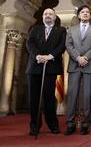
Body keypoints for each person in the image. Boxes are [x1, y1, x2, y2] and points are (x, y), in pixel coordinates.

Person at [26, 8, 66, 136]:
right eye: (45, 14)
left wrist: (50, 56)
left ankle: (53, 124)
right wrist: (37, 55)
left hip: (51, 67)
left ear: (55, 17)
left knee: (49, 98)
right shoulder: (35, 28)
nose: (47, 16)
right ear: (42, 17)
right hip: (35, 66)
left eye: (50, 14)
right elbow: (29, 43)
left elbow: (62, 46)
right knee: (33, 98)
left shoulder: (61, 30)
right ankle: (34, 125)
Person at [65, 5, 91, 135]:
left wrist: (85, 57)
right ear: (79, 15)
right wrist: (77, 57)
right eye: (83, 12)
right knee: (72, 95)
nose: (85, 14)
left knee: (87, 96)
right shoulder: (71, 29)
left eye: (87, 12)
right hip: (74, 65)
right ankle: (70, 123)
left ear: (90, 15)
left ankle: (86, 124)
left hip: (89, 65)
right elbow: (68, 45)